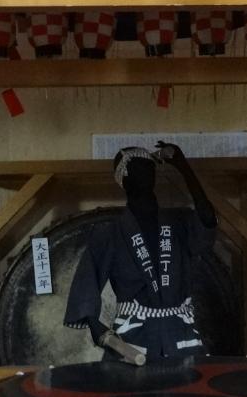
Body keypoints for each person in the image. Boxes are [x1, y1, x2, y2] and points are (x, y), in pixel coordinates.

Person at [64, 143, 217, 363]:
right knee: (130, 386)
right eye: (138, 166)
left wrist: (183, 167)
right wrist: (95, 325)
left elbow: (207, 220)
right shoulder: (110, 233)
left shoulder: (178, 223)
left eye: (149, 166)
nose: (147, 170)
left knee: (188, 384)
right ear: (124, 176)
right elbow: (87, 281)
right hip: (133, 338)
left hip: (180, 333)